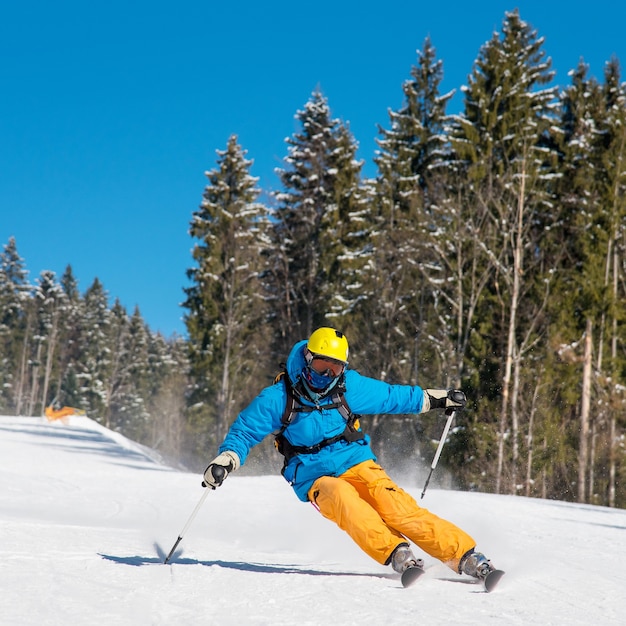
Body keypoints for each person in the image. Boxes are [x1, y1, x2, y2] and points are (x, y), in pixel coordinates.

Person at [203, 326, 496, 580]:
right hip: (311, 473)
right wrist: (226, 459)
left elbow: (393, 397)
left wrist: (437, 398)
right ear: (307, 359)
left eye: (335, 368)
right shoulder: (279, 397)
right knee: (342, 498)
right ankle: (397, 552)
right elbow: (245, 431)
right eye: (321, 366)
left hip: (354, 459)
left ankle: (467, 557)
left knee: (394, 506)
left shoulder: (348, 386)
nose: (327, 375)